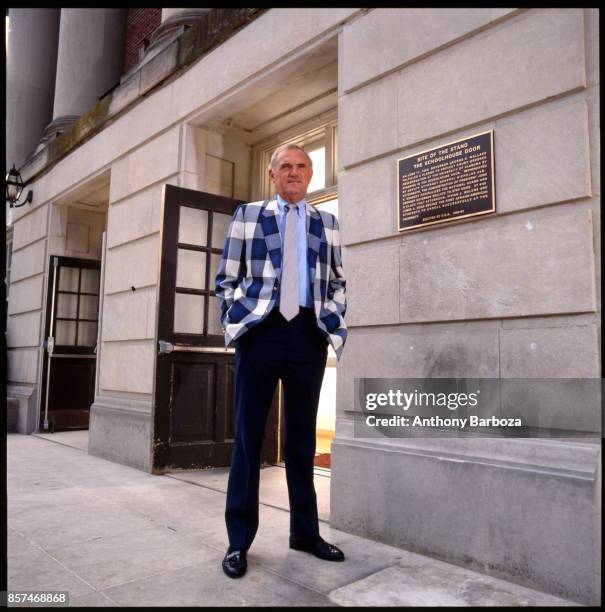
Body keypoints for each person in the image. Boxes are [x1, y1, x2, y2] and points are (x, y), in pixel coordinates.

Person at [214, 143, 347, 579]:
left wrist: (331, 320)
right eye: (285, 167)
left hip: (307, 335)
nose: (294, 173)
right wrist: (241, 320)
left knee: (302, 442)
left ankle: (305, 533)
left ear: (310, 174)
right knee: (249, 439)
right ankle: (238, 542)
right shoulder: (249, 216)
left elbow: (339, 280)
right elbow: (226, 279)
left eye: (302, 167)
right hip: (262, 332)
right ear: (272, 175)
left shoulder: (328, 223)